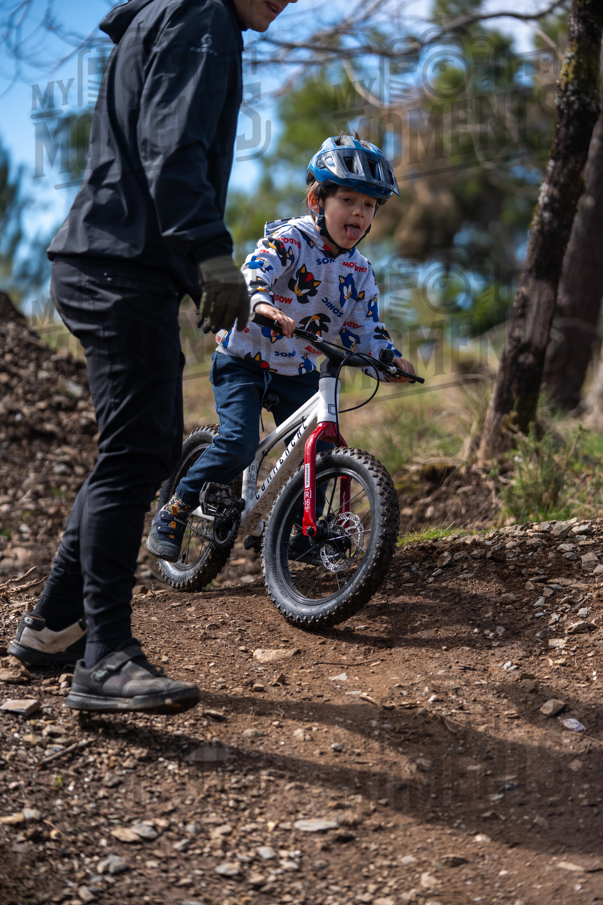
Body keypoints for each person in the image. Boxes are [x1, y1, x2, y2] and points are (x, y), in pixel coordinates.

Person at [8, 0, 296, 714]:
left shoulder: (175, 15)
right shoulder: (203, 15)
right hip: (119, 268)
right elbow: (173, 149)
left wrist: (196, 267)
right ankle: (105, 657)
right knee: (136, 454)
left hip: (116, 264)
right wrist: (211, 256)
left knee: (146, 449)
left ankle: (54, 626)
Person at [146, 134, 416, 565]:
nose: (359, 213)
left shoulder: (361, 272)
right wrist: (262, 303)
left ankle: (296, 533)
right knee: (238, 444)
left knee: (320, 455)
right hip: (243, 359)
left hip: (298, 369)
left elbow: (365, 330)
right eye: (348, 200)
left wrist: (388, 360)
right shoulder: (291, 239)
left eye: (369, 205)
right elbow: (255, 271)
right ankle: (176, 509)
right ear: (316, 201)